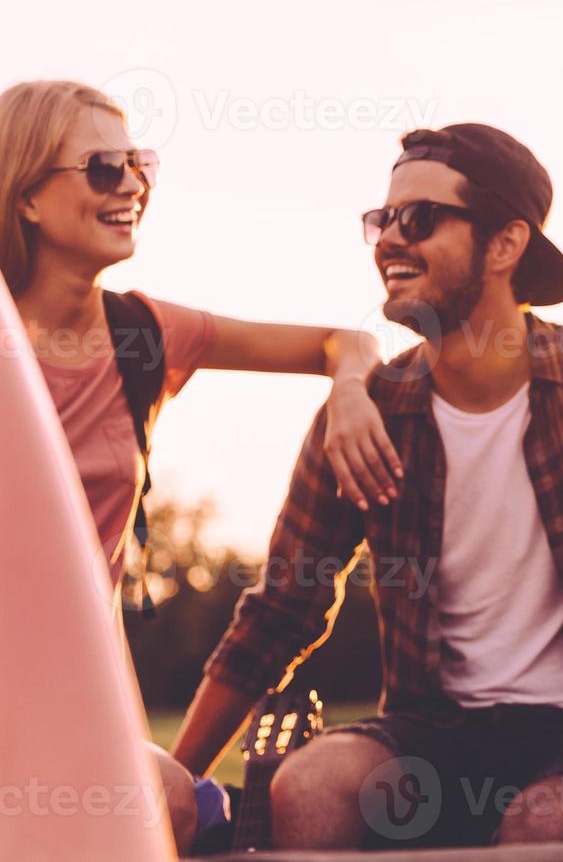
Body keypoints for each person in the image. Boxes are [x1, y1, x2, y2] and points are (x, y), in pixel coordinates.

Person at [169, 122, 563, 849]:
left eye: (419, 218)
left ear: (504, 245)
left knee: (547, 820)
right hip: (436, 730)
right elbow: (279, 613)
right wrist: (174, 785)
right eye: (382, 219)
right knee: (308, 784)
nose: (389, 240)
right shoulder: (370, 411)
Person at [0, 79, 403, 852]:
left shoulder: (141, 336)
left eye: (138, 163)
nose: (132, 187)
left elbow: (340, 342)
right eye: (101, 168)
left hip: (79, 696)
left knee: (172, 806)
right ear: (25, 198)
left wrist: (350, 390)